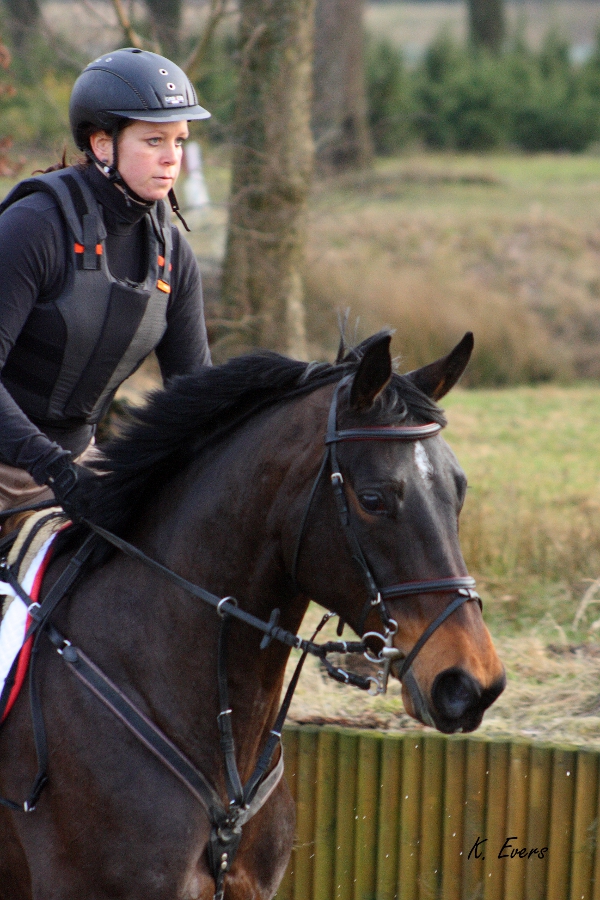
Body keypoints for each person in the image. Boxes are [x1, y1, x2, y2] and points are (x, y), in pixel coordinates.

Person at [0, 48, 212, 526]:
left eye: (180, 141)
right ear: (101, 145)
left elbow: (194, 396)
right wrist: (52, 466)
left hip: (77, 465)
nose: (171, 158)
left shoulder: (174, 255)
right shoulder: (32, 227)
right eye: (154, 140)